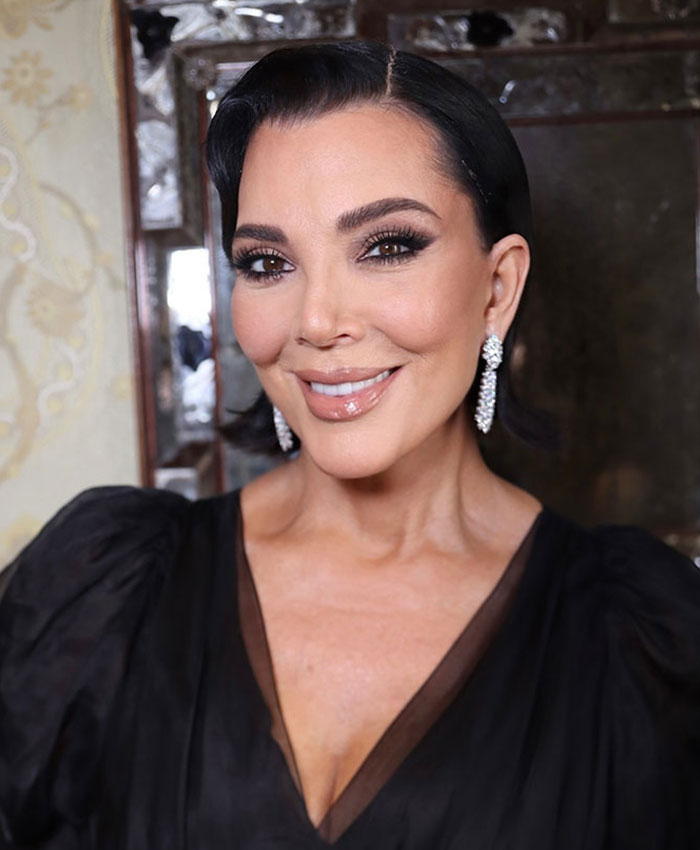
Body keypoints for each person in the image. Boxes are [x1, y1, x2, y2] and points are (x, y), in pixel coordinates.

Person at [1, 40, 699, 850]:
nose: (317, 320)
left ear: (497, 288)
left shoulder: (642, 641)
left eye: (388, 246)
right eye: (267, 262)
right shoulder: (108, 592)